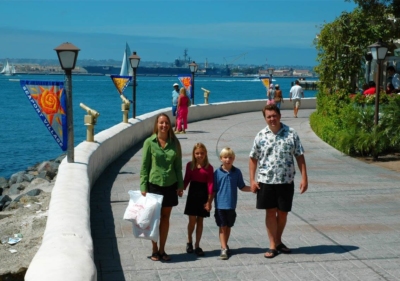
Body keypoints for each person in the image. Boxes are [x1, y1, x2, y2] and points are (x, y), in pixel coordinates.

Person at [249, 104, 308, 259]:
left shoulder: (291, 133)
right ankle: (272, 245)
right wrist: (252, 180)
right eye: (269, 117)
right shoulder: (261, 135)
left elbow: (299, 155)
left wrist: (304, 178)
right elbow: (253, 158)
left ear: (279, 115)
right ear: (265, 118)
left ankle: (278, 240)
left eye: (274, 115)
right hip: (266, 181)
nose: (272, 119)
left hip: (286, 180)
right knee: (270, 212)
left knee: (282, 213)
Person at [140, 113, 184, 262]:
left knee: (165, 218)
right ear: (156, 125)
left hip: (170, 185)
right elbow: (145, 166)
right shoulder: (149, 142)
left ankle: (162, 249)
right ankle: (154, 249)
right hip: (154, 186)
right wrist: (143, 186)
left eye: (166, 123)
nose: (164, 125)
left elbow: (178, 166)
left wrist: (180, 185)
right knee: (155, 219)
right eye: (161, 123)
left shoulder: (175, 143)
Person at [213, 147, 251, 260]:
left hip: (231, 205)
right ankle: (223, 248)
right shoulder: (217, 173)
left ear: (233, 159)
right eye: (225, 157)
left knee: (228, 226)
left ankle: (225, 244)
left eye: (230, 157)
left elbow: (242, 186)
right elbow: (213, 189)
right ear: (221, 159)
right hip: (220, 204)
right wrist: (208, 202)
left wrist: (253, 188)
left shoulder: (237, 172)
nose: (227, 160)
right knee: (222, 226)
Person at [183, 143, 214, 256]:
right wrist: (181, 189)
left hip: (203, 195)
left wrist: (209, 201)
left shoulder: (209, 168)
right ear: (193, 154)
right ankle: (189, 240)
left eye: (202, 153)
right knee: (192, 221)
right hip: (193, 194)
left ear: (205, 154)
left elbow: (210, 184)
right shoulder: (190, 165)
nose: (199, 155)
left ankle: (197, 245)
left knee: (200, 221)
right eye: (197, 153)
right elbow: (186, 179)